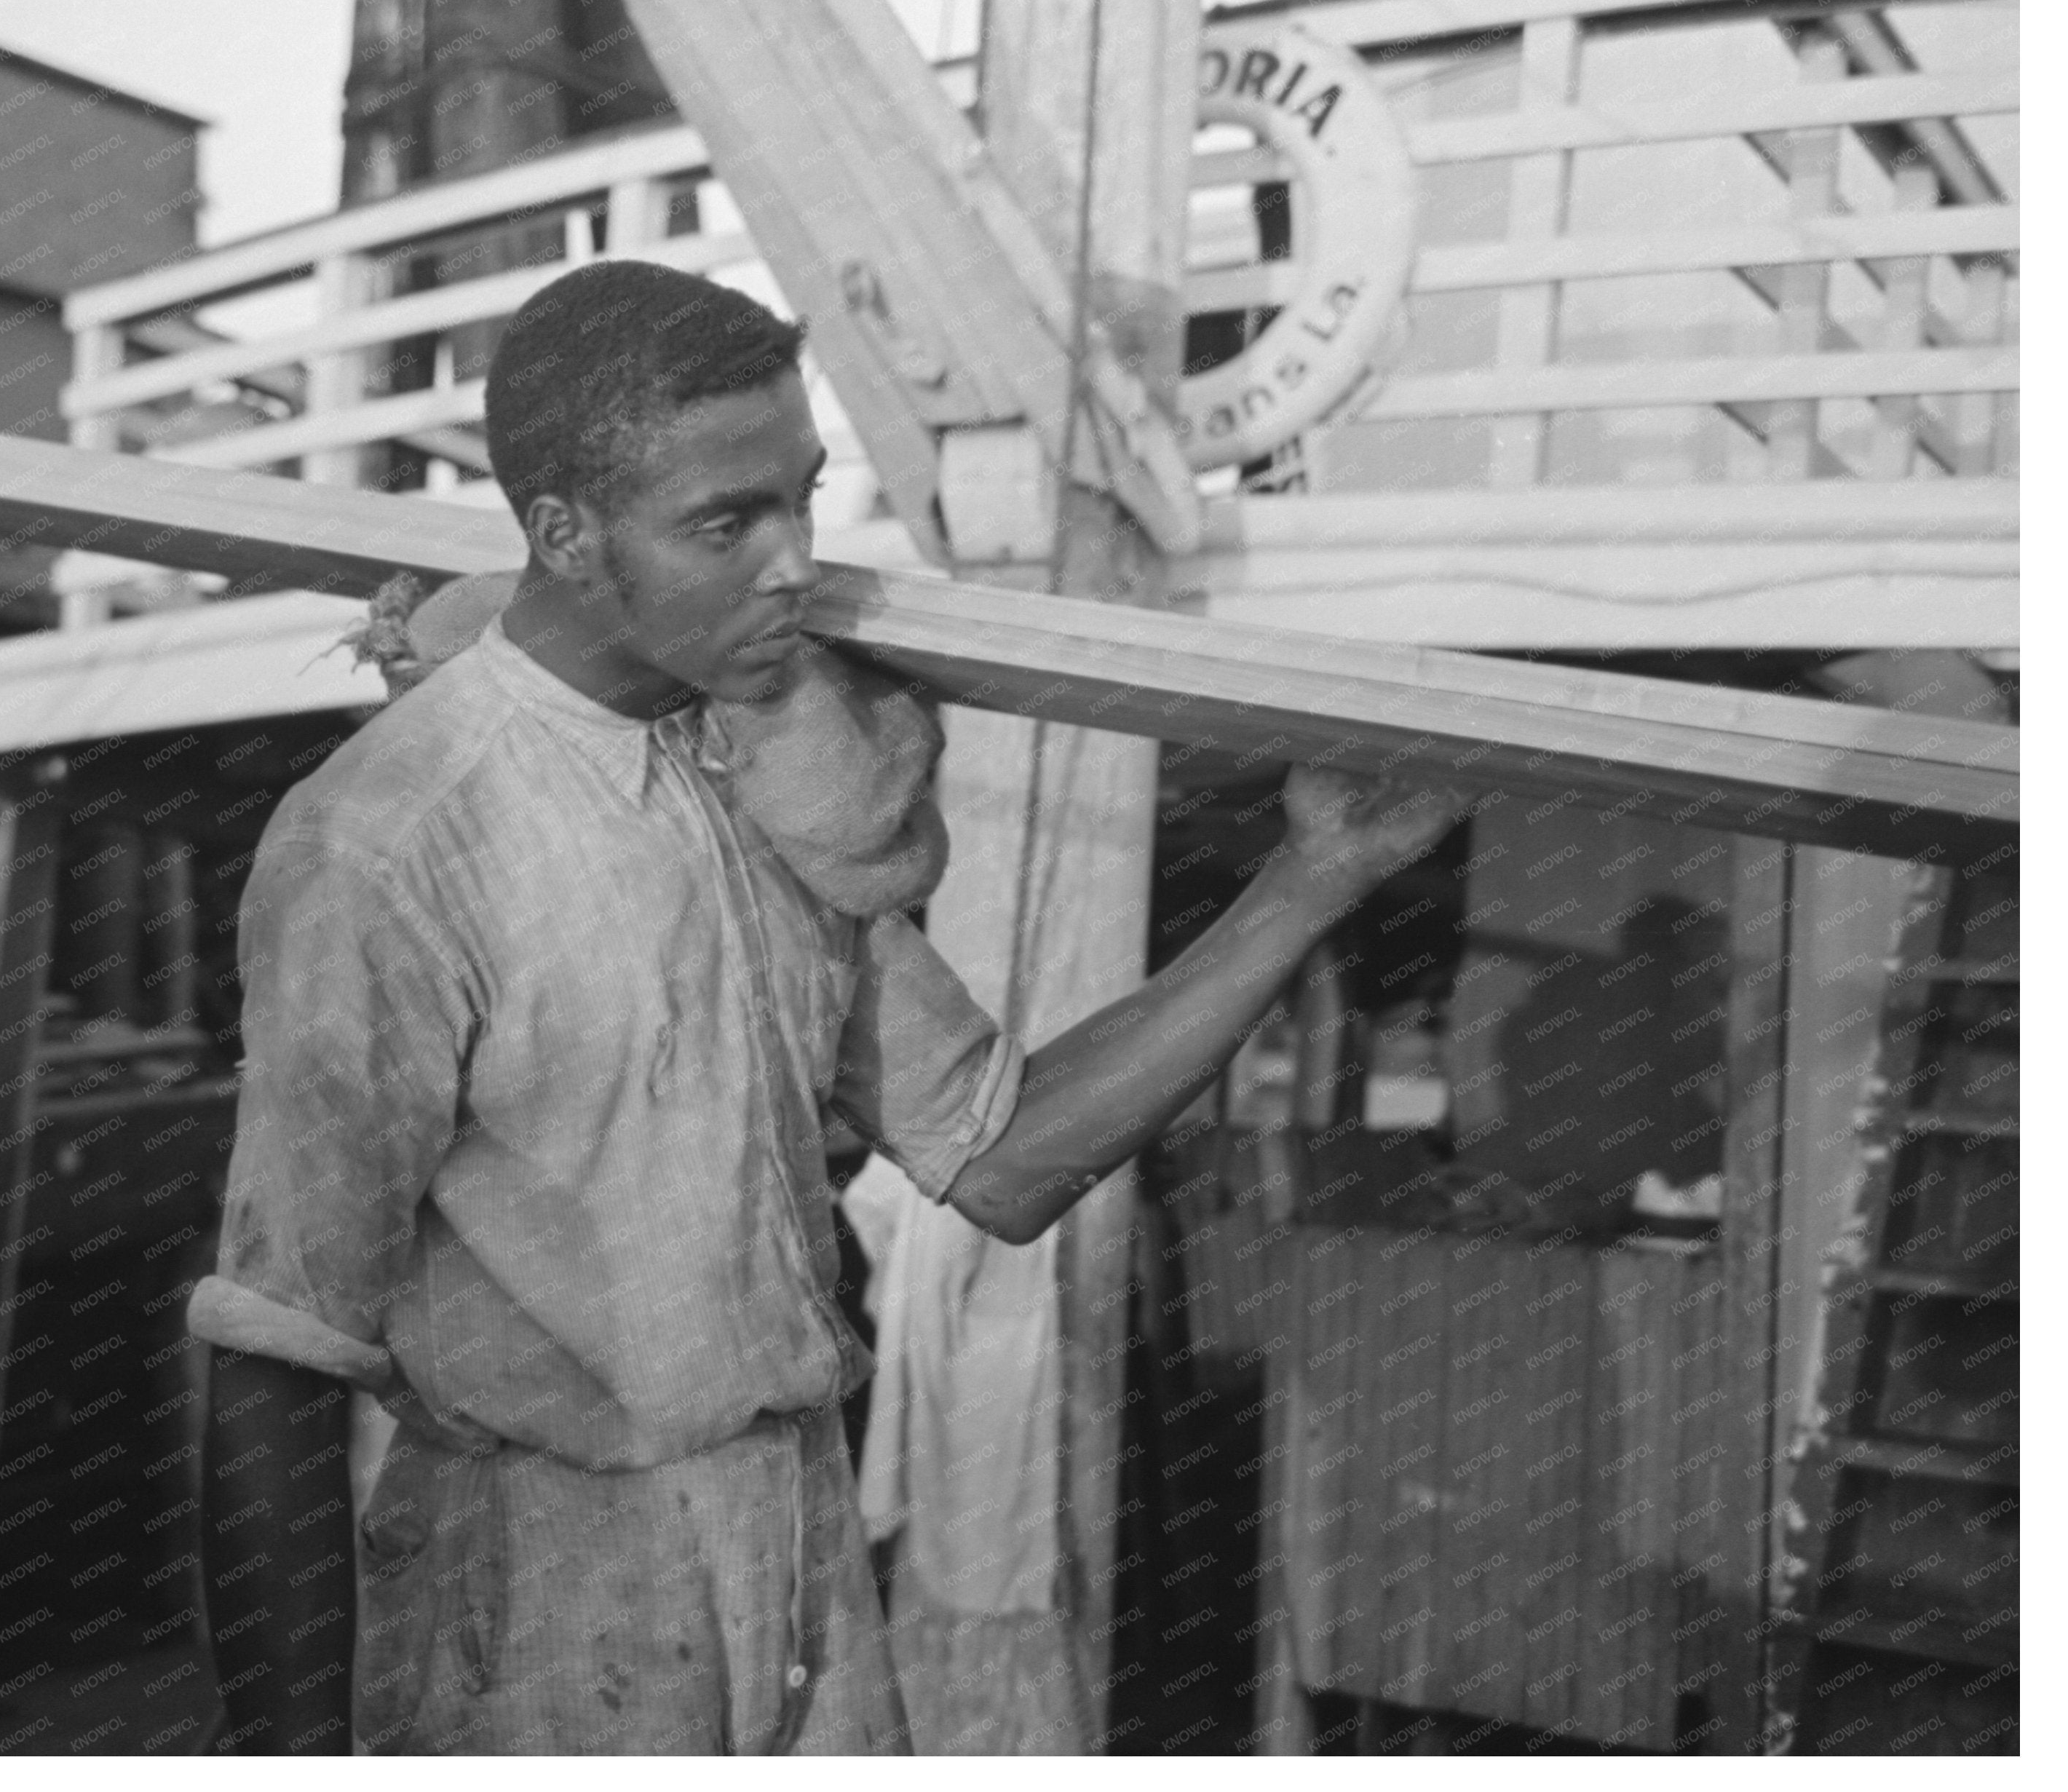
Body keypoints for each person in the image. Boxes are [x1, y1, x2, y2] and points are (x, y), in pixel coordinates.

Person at [186, 261, 1459, 1755]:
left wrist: (1314, 878)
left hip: (795, 1545)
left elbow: (1003, 1155)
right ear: (563, 534)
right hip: (535, 1600)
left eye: (803, 498)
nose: (796, 564)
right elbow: (274, 1346)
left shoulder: (770, 789)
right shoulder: (392, 840)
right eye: (727, 524)